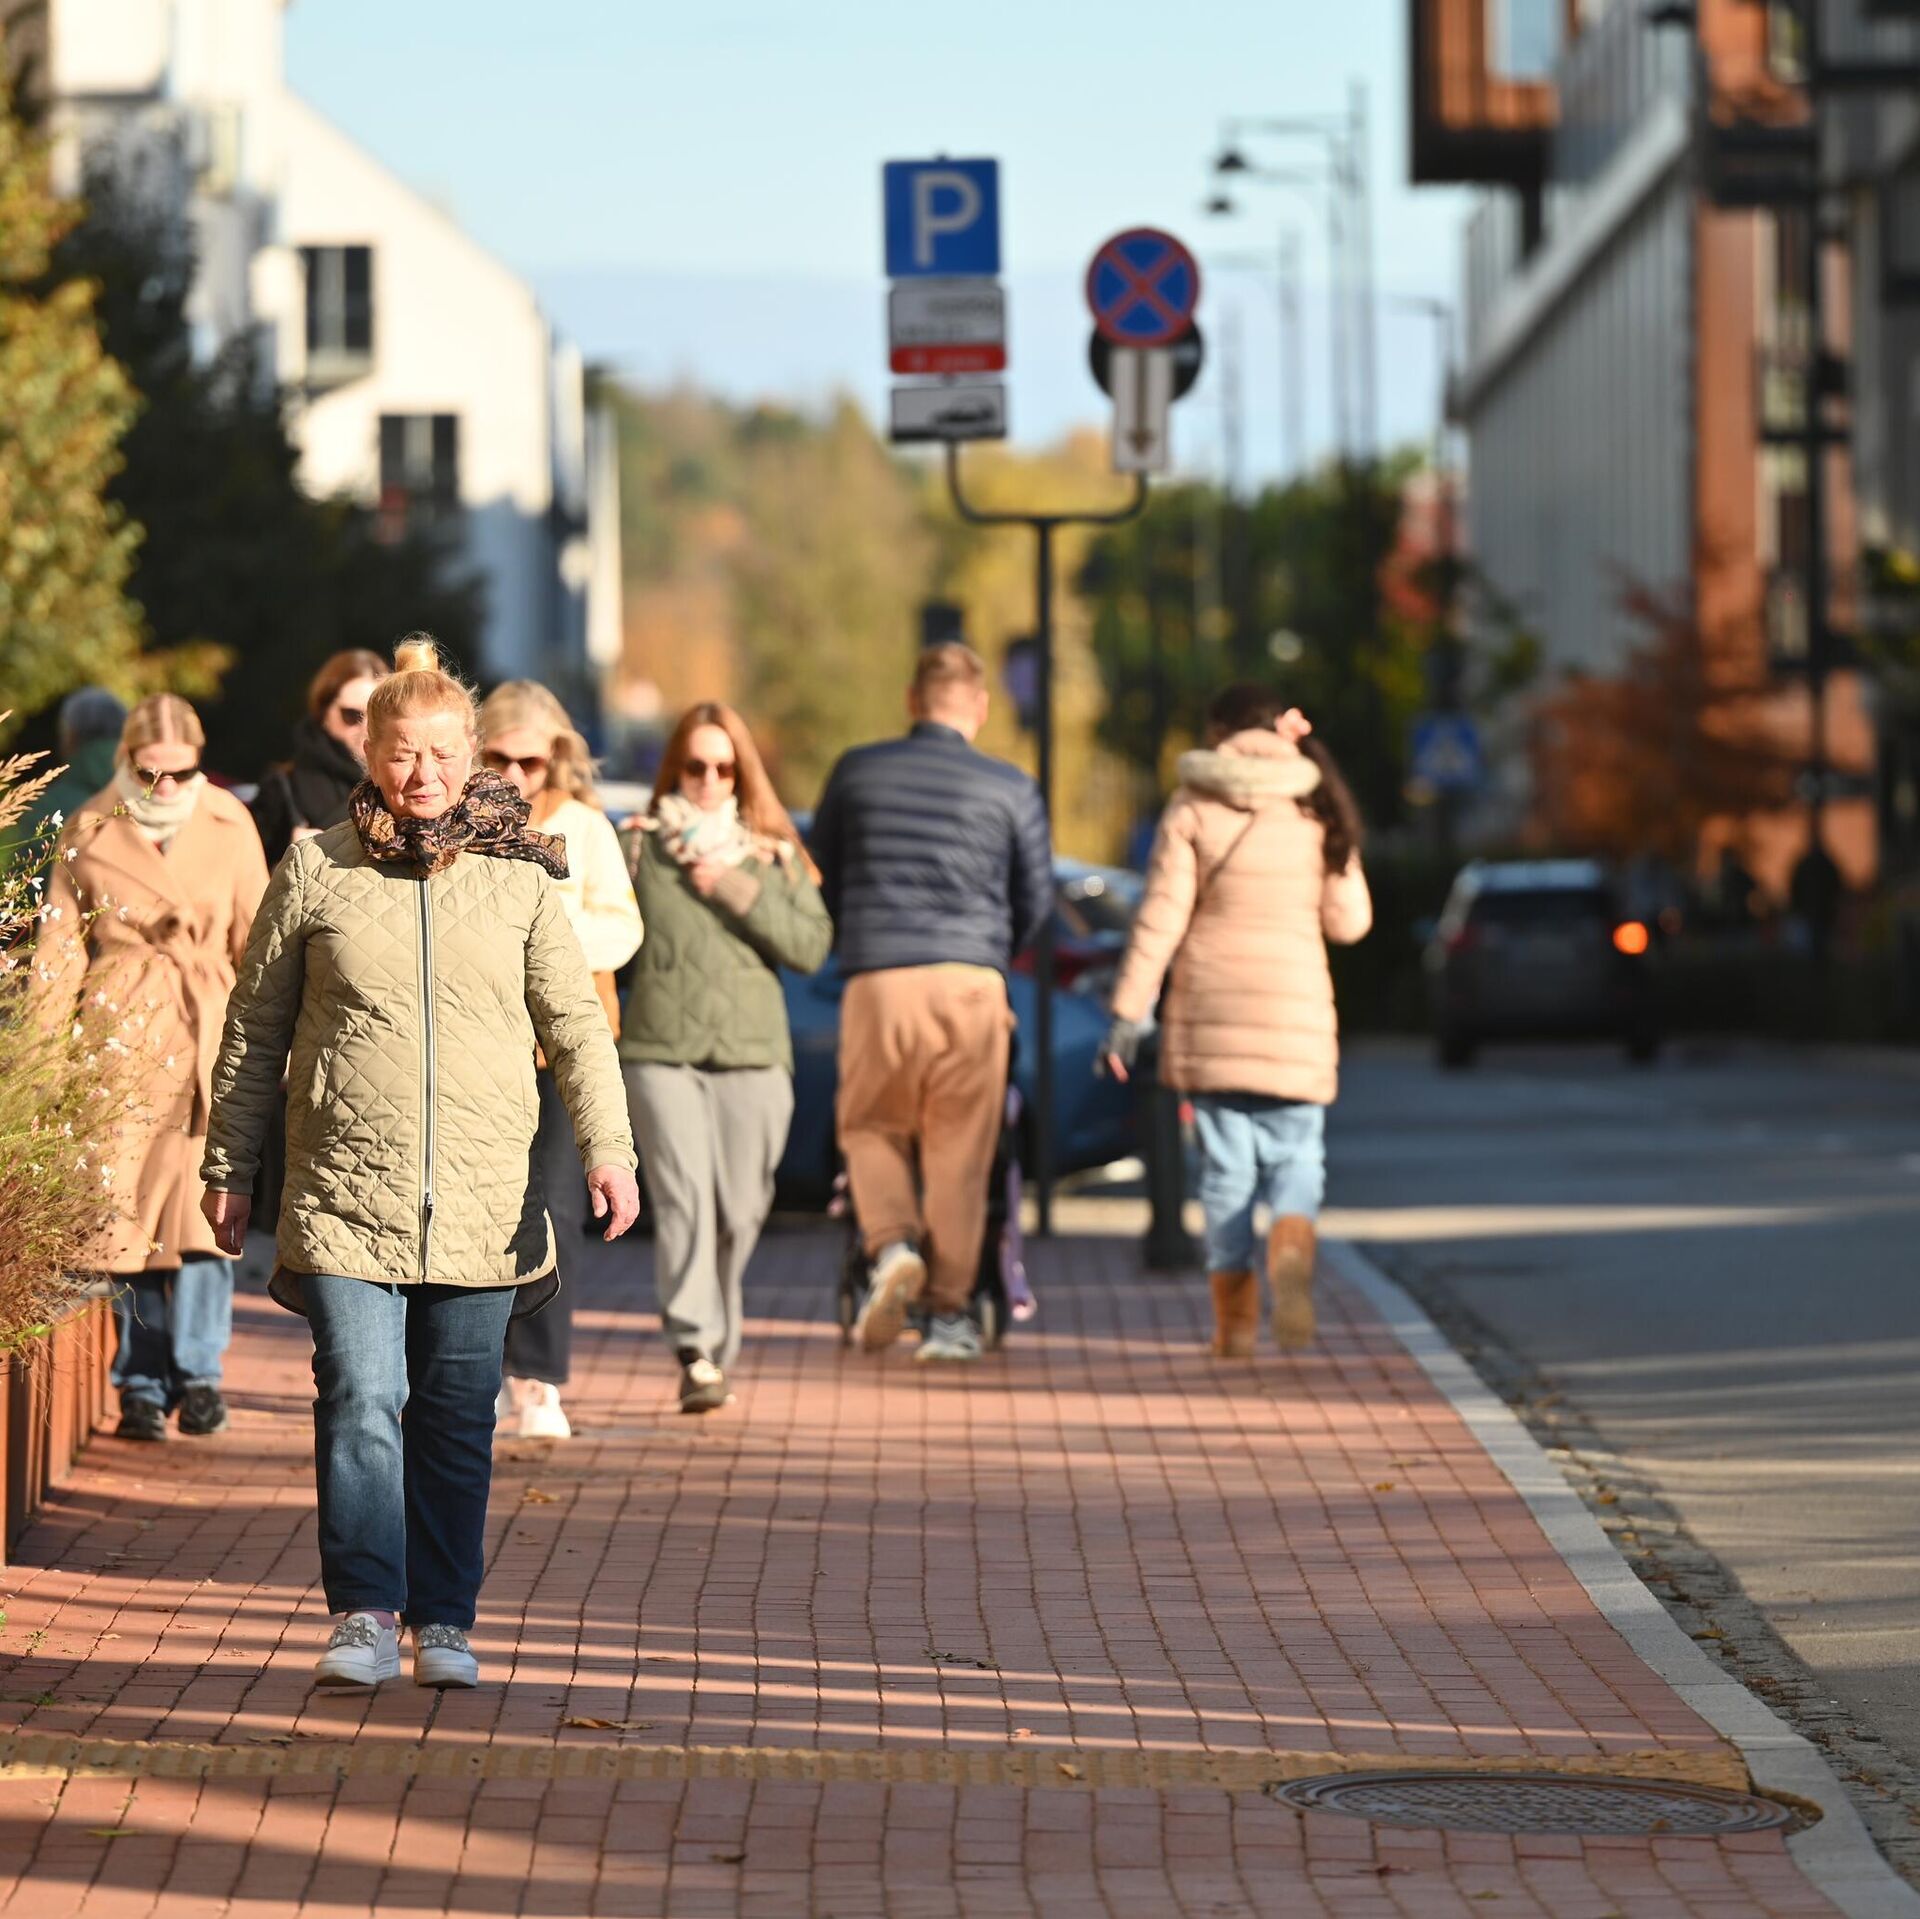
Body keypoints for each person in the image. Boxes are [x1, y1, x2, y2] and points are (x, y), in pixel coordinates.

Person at [199, 636, 639, 1692]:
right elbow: (254, 1030)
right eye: (402, 751)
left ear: (471, 753)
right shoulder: (317, 868)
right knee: (360, 1391)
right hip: (344, 1191)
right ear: (371, 753)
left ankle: (443, 1617)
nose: (422, 772)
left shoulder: (520, 876)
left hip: (485, 1199)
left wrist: (610, 1150)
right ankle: (363, 1609)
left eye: (442, 752)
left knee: (454, 1412)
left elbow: (576, 1026)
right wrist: (228, 1166)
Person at [1101, 685, 1372, 1358]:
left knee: (1225, 1174)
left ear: (1218, 732)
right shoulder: (1314, 804)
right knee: (1299, 1155)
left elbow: (1160, 920)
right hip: (1295, 1010)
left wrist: (1127, 1013)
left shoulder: (1193, 804)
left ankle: (1236, 1327)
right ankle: (1291, 1245)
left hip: (1213, 1012)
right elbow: (1350, 922)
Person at [31, 694, 269, 1440]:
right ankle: (140, 1382)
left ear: (200, 764)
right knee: (126, 1218)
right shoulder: (89, 826)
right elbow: (58, 954)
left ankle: (198, 1377)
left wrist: (272, 1045)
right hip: (121, 1034)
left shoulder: (230, 823)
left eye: (180, 772)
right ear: (124, 760)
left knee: (206, 1213)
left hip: (206, 1030)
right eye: (148, 772)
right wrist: (43, 1062)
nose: (164, 787)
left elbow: (260, 946)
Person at [810, 642, 1053, 1365]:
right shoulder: (1012, 787)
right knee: (961, 1152)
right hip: (971, 983)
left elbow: (825, 873)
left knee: (871, 1126)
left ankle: (893, 1246)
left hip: (880, 978)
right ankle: (949, 1315)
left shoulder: (858, 770)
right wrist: (989, 951)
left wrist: (858, 932)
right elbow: (1036, 900)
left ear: (913, 700)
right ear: (980, 707)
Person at [620, 703, 830, 1413]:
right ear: (674, 768)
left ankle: (716, 1348)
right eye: (695, 766)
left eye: (723, 767)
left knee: (741, 1210)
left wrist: (735, 886)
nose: (709, 780)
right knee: (685, 1201)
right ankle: (694, 1348)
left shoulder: (774, 854)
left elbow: (812, 947)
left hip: (754, 1054)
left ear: (742, 773)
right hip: (661, 1052)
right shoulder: (640, 846)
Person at [478, 680, 643, 1438]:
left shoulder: (585, 826)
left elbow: (625, 929)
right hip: (478, 1041)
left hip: (558, 1047)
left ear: (557, 760)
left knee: (554, 1209)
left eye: (532, 762)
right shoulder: (458, 825)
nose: (515, 775)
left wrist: (553, 946)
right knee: (475, 1206)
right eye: (499, 758)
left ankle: (537, 1379)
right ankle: (474, 1369)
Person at [250, 649, 390, 871]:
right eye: (352, 715)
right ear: (324, 712)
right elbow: (246, 878)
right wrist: (289, 858)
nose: (365, 727)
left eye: (375, 715)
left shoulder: (402, 784)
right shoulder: (283, 787)